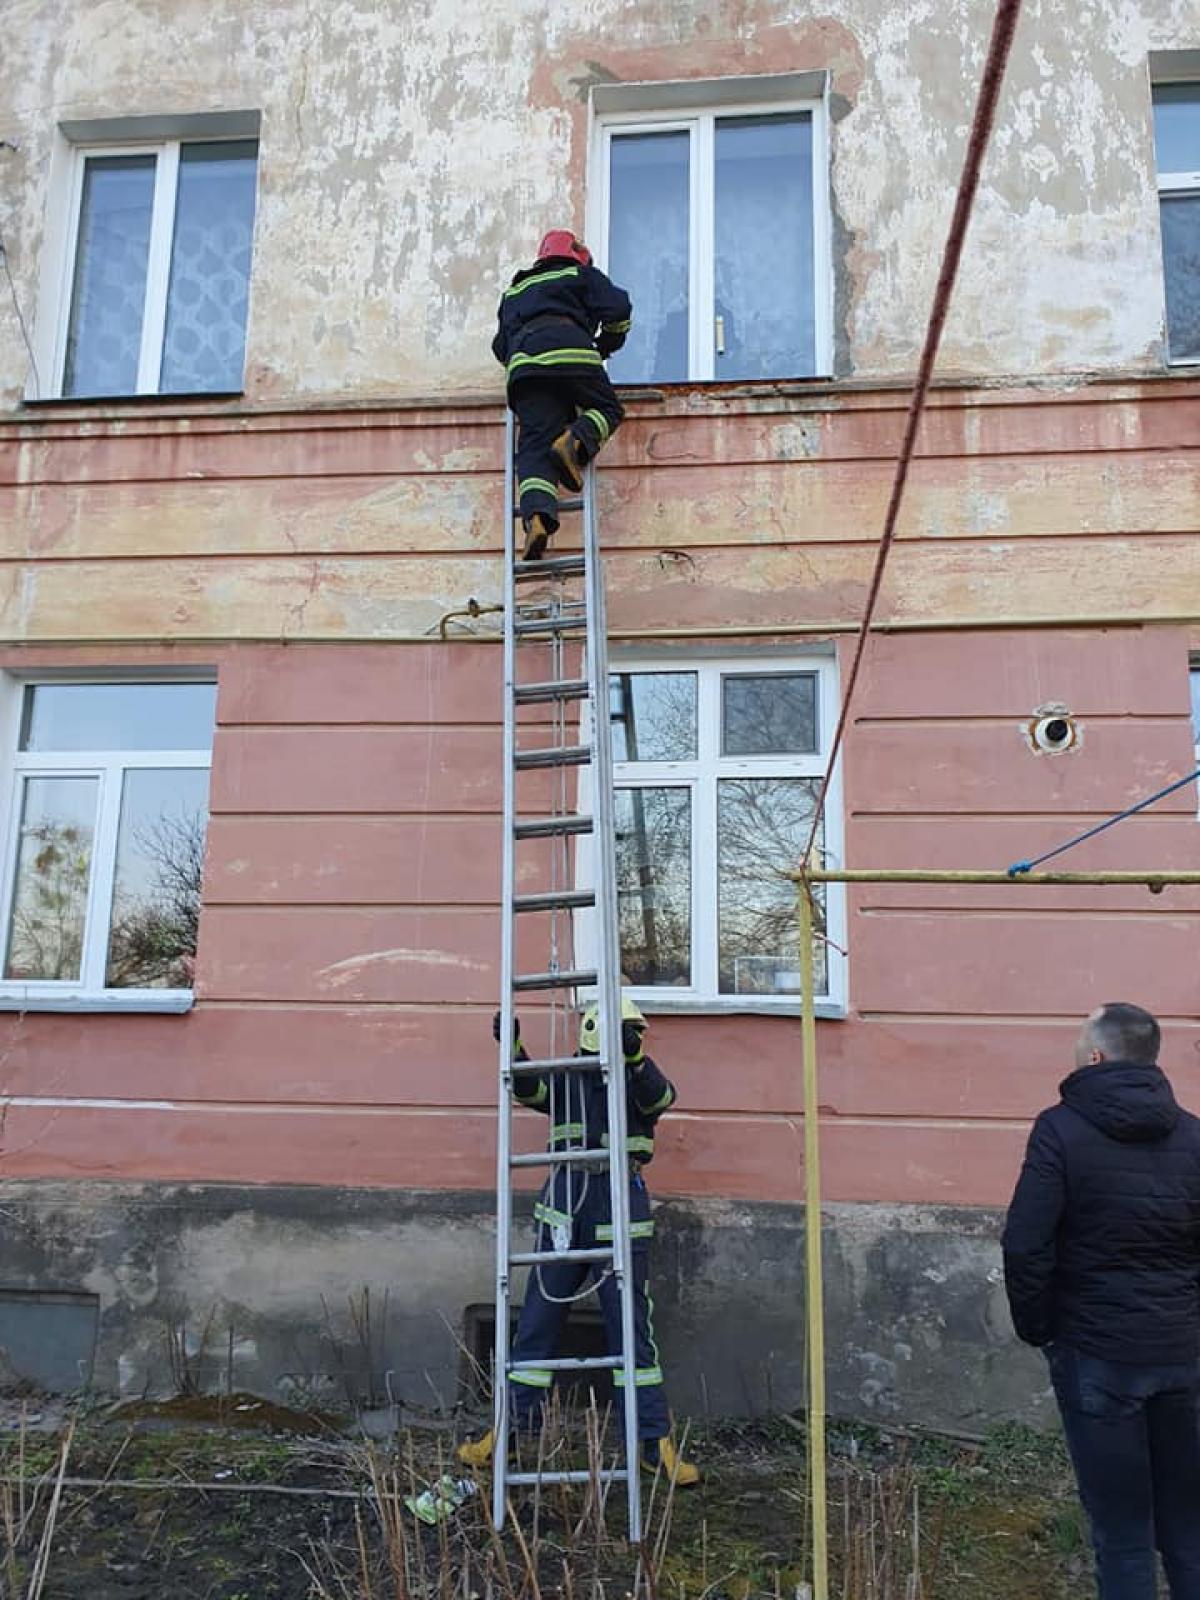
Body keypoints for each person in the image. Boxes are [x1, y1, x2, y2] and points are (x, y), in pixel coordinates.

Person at [1002, 1001, 1200, 1600]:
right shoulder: (1194, 1135)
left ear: (1095, 1055)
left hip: (1096, 1357)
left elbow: (1025, 1244)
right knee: (1190, 1529)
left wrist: (1042, 1329)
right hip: (1183, 1357)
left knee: (1122, 1532)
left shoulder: (1058, 1130)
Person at [459, 996, 699, 1485]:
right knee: (537, 1326)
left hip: (618, 1206)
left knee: (631, 1330)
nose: (636, 1039)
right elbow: (530, 1088)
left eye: (638, 1034)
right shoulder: (567, 1077)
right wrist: (515, 1047)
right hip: (566, 1206)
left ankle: (652, 1443)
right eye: (629, 1031)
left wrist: (633, 1060)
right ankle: (510, 1435)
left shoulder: (637, 1080)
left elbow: (662, 1099)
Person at [492, 230, 632, 562]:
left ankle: (537, 518)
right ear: (578, 255)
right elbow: (619, 308)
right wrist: (605, 346)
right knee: (607, 408)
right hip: (571, 350)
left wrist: (527, 362)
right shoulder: (579, 275)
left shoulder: (514, 292)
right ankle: (574, 442)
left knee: (534, 445)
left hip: (526, 369)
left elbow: (500, 347)